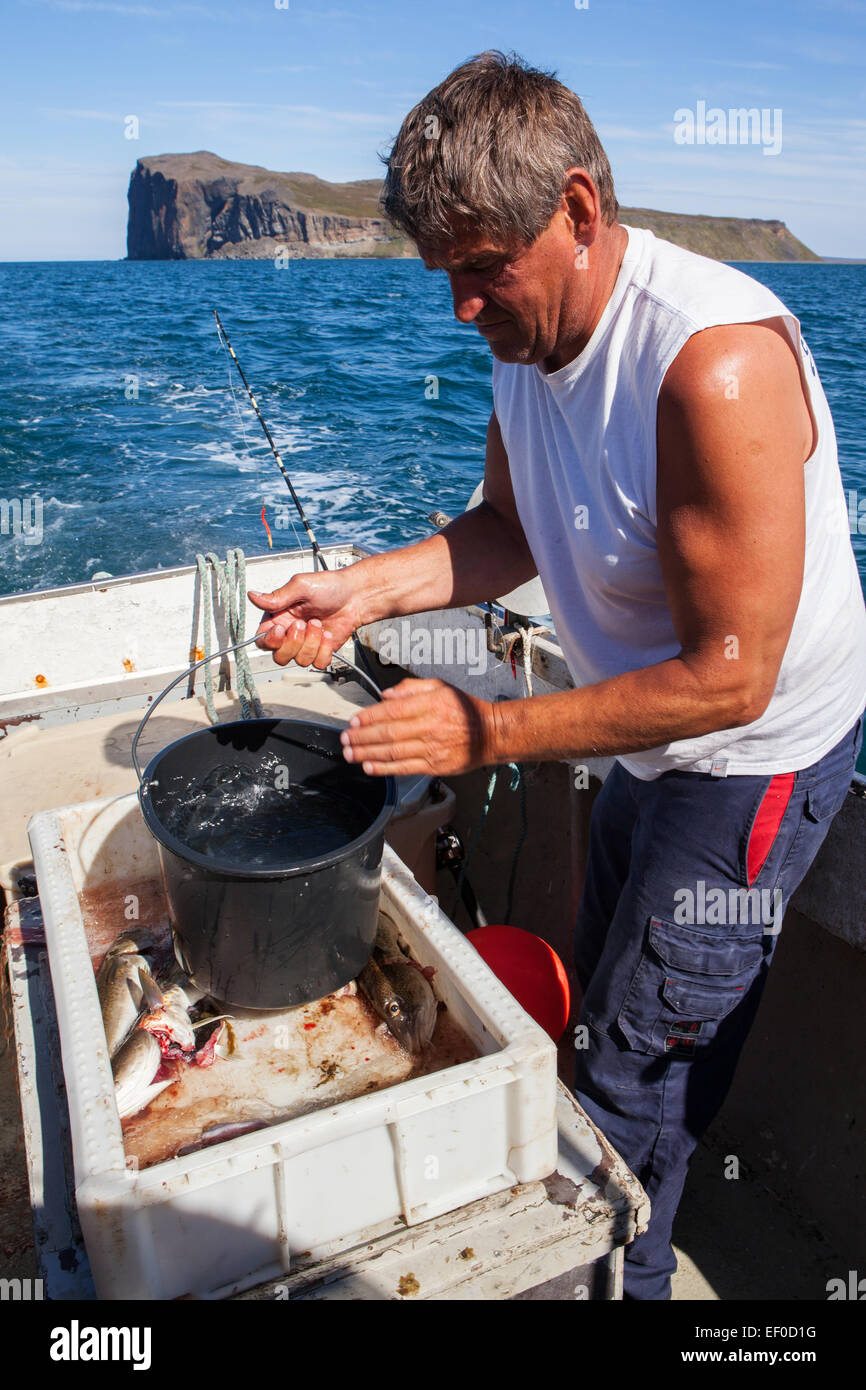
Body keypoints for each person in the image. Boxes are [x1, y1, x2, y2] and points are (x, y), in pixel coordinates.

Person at [249, 50, 866, 1299]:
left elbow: (727, 683)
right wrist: (358, 587)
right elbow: (508, 529)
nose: (461, 309)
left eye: (482, 270)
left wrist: (485, 733)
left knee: (635, 1076)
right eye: (444, 278)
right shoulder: (523, 344)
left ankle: (607, 1278)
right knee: (604, 1011)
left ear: (578, 210)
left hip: (744, 762)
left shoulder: (713, 363)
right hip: (640, 732)